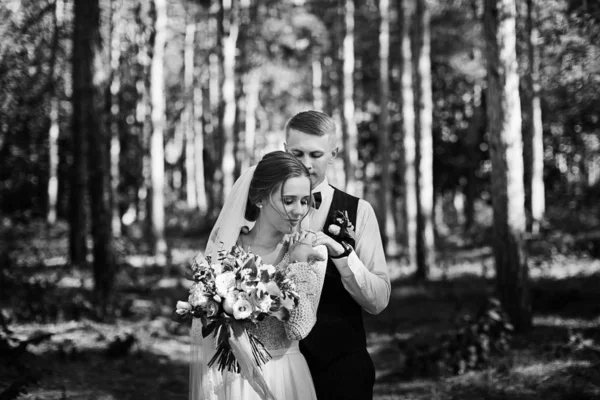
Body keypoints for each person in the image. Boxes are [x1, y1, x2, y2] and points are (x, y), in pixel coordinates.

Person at [189, 150, 328, 400]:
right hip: (230, 379)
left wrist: (297, 263)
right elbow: (201, 329)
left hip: (285, 378)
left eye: (305, 201)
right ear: (261, 198)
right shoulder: (226, 248)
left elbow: (299, 328)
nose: (298, 211)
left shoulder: (312, 253)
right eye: (288, 201)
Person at [284, 110, 391, 400]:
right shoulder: (259, 213)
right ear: (285, 151)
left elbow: (379, 300)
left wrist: (343, 254)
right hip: (278, 367)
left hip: (343, 367)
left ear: (334, 153)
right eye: (297, 153)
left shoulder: (360, 211)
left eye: (316, 154)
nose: (306, 164)